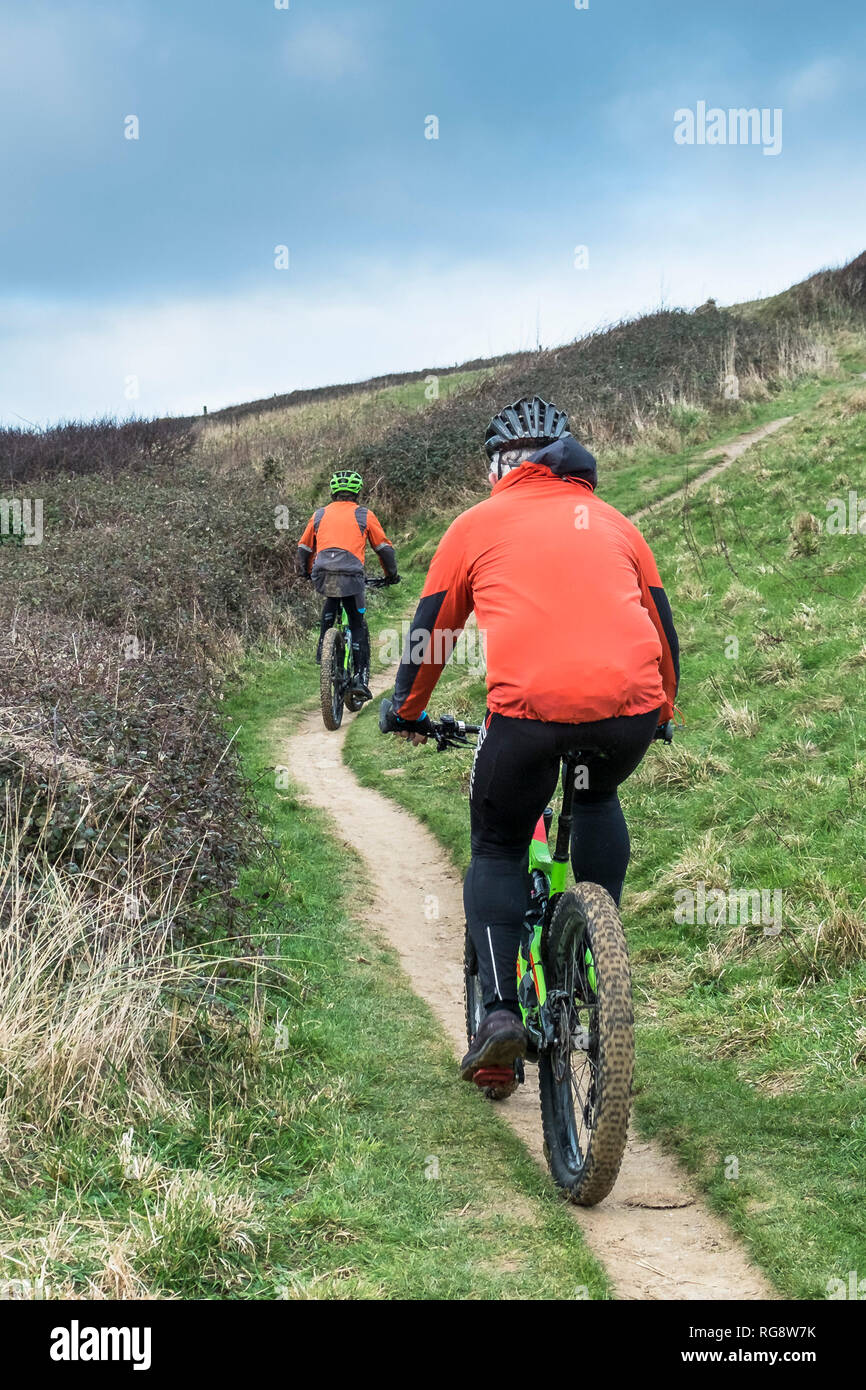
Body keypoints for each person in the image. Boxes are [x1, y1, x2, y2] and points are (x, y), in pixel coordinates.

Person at [382, 397, 678, 1085]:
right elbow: (662, 627)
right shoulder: (616, 524)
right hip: (628, 712)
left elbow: (432, 631)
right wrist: (664, 711)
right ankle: (600, 958)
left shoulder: (476, 525)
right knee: (598, 794)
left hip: (528, 717)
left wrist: (408, 708)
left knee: (498, 843)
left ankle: (500, 1015)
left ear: (500, 467)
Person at [296, 470, 400, 698]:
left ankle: (323, 647)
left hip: (323, 573)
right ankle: (360, 679)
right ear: (357, 492)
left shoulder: (319, 514)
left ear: (333, 492)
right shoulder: (364, 515)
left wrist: (304, 571)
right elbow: (383, 548)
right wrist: (391, 575)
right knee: (356, 622)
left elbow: (304, 548)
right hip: (352, 575)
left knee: (331, 601)